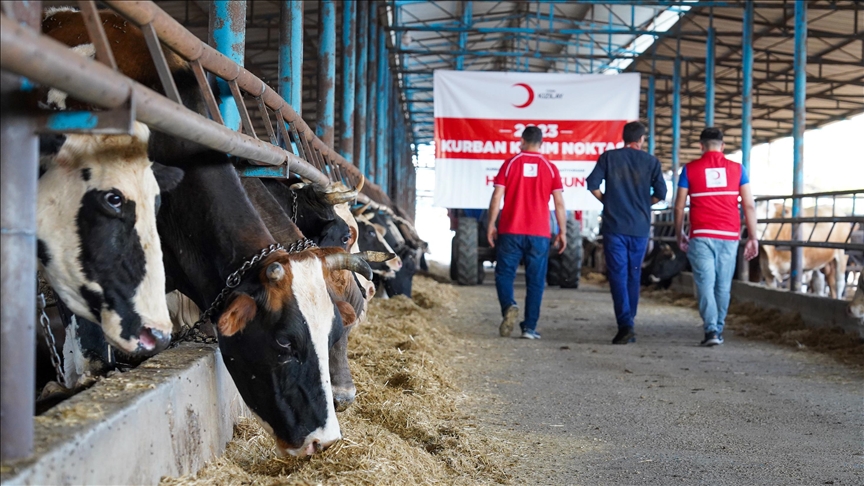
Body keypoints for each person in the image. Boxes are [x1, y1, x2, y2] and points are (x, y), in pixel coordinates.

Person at [674, 127, 759, 347]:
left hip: (701, 234)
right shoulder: (738, 169)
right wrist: (753, 237)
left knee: (704, 283)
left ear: (701, 146)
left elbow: (679, 206)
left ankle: (711, 330)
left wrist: (679, 232)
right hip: (729, 235)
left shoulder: (690, 169)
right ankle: (718, 329)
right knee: (723, 285)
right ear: (722, 146)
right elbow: (749, 205)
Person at [586, 121, 667, 345]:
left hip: (615, 227)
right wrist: (644, 204)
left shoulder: (609, 157)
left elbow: (592, 184)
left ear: (623, 138)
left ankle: (625, 324)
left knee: (618, 275)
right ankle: (629, 320)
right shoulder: (651, 161)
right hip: (639, 228)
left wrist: (608, 202)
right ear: (641, 139)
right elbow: (661, 193)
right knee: (634, 273)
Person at [487, 126, 567, 340]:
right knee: (536, 280)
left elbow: (496, 197)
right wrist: (562, 231)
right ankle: (529, 328)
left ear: (522, 141)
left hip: (510, 230)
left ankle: (509, 306)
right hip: (540, 233)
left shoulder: (510, 163)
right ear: (541, 143)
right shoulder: (550, 168)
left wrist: (491, 225)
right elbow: (559, 203)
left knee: (504, 274)